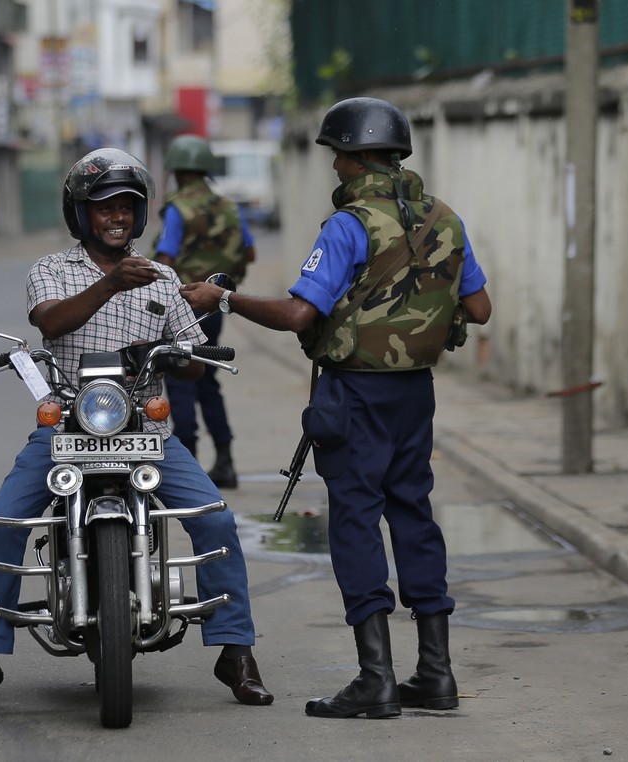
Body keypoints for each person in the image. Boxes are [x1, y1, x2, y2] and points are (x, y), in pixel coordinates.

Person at [181, 97, 492, 720]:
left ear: (351, 157)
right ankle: (436, 673)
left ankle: (375, 679)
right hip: (415, 393)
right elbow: (479, 310)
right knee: (414, 516)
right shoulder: (445, 219)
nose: (335, 169)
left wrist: (227, 299)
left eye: (336, 156)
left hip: (355, 394)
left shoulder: (351, 224)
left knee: (355, 520)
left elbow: (301, 314)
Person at [0, 148, 273, 711]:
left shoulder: (164, 278)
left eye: (127, 206)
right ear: (81, 214)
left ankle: (236, 652)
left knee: (216, 519)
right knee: (2, 521)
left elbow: (197, 359)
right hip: (68, 426)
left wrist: (170, 353)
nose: (117, 216)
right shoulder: (52, 270)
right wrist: (111, 286)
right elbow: (49, 321)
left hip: (147, 432)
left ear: (141, 213)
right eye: (104, 208)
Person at [153, 134, 257, 489]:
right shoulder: (228, 206)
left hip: (182, 302)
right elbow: (250, 252)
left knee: (181, 377)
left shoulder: (176, 208)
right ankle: (225, 459)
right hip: (218, 300)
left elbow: (165, 257)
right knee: (208, 376)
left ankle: (188, 463)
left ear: (178, 171)